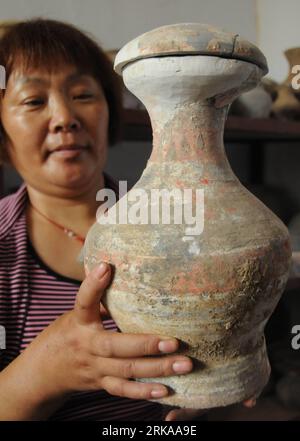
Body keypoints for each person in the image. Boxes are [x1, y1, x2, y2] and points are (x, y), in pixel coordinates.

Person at [0, 19, 255, 421]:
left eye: (83, 94)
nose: (65, 117)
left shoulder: (184, 217)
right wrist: (44, 371)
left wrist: (240, 355)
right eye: (33, 100)